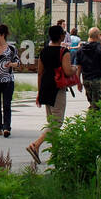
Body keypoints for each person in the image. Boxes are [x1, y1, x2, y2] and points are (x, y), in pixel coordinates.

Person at [28, 24, 74, 165]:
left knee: (51, 122)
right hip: (57, 88)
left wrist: (39, 91)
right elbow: (67, 71)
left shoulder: (44, 51)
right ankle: (36, 145)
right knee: (56, 123)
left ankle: (55, 154)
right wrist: (75, 69)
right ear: (61, 36)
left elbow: (40, 72)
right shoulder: (63, 52)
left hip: (45, 87)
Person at [77, 27, 101, 113]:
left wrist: (78, 81)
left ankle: (90, 123)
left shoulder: (81, 49)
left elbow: (79, 67)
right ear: (98, 36)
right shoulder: (100, 49)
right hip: (97, 79)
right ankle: (95, 123)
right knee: (99, 104)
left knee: (92, 103)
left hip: (86, 79)